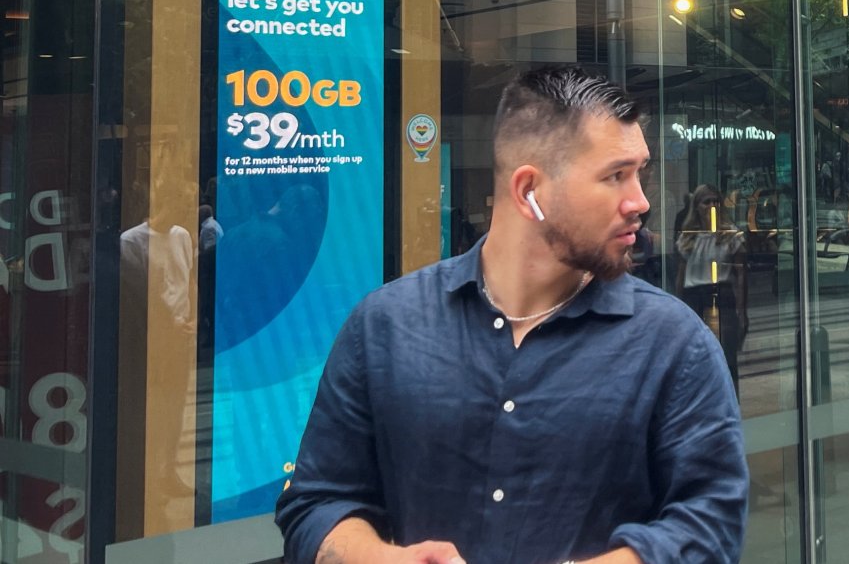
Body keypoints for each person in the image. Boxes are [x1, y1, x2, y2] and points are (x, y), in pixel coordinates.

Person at [276, 66, 748, 564]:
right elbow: (316, 502)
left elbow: (711, 526)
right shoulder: (385, 327)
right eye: (615, 176)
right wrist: (380, 558)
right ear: (528, 192)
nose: (641, 202)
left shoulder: (675, 344)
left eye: (639, 173)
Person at [676, 184, 748, 391]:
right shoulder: (688, 236)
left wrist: (741, 311)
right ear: (697, 206)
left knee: (727, 355)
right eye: (706, 201)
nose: (712, 205)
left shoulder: (730, 234)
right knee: (694, 355)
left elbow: (742, 273)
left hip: (722, 294)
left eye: (716, 201)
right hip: (694, 297)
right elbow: (681, 276)